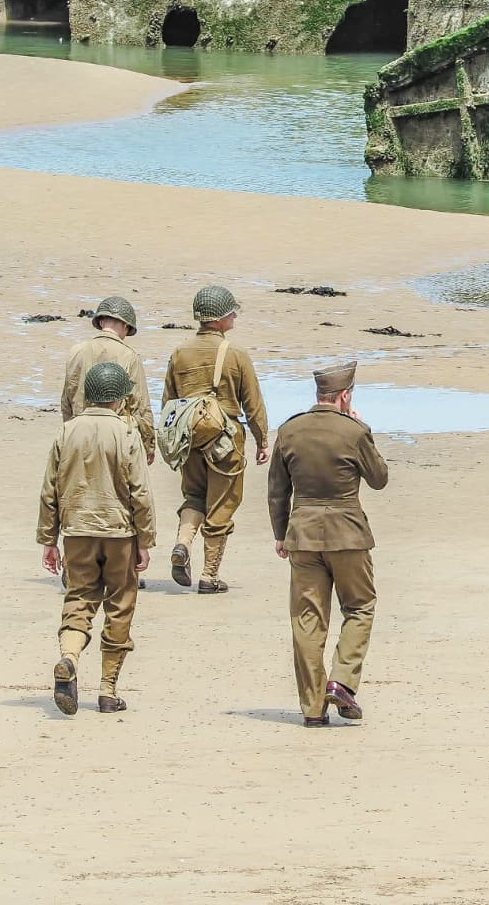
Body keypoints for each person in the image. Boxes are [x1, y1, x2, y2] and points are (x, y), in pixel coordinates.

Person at [267, 361, 388, 727]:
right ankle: (342, 680)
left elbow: (277, 490)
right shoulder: (353, 431)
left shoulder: (290, 430)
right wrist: (363, 427)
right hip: (348, 533)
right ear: (346, 395)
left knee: (307, 621)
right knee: (361, 606)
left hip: (302, 534)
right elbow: (379, 478)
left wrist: (280, 533)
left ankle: (313, 708)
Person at [38, 360, 156, 715]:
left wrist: (49, 538)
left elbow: (50, 490)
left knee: (79, 600)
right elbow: (140, 493)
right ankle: (107, 690)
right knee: (119, 606)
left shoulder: (66, 431)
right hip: (120, 533)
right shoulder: (127, 434)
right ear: (120, 400)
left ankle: (69, 657)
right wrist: (146, 540)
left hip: (76, 531)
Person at [162, 285, 269, 593]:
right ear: (221, 318)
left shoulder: (180, 353)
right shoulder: (236, 354)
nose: (235, 315)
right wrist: (263, 441)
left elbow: (169, 403)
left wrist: (171, 441)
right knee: (222, 505)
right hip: (226, 440)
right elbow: (253, 404)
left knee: (194, 497)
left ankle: (183, 543)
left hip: (189, 437)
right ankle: (209, 576)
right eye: (232, 312)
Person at [61, 295, 155, 465]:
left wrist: (69, 434)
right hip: (115, 439)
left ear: (101, 322)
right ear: (126, 326)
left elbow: (67, 401)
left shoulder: (75, 352)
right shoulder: (130, 356)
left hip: (79, 436)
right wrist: (148, 445)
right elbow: (140, 406)